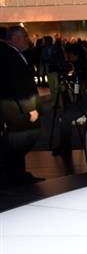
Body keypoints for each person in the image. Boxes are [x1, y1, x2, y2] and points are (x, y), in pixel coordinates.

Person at [0, 25, 43, 186]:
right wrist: (28, 111)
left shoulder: (13, 53)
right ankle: (14, 176)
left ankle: (17, 174)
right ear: (15, 38)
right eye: (25, 36)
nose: (28, 40)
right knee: (19, 141)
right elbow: (15, 85)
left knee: (20, 141)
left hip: (20, 109)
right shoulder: (7, 54)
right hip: (18, 110)